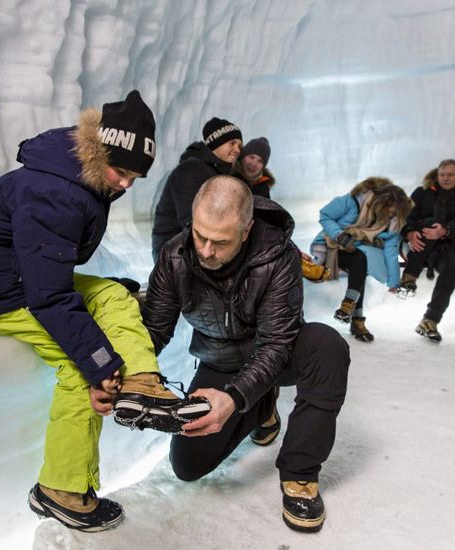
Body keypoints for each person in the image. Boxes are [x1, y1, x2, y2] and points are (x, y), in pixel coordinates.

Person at [0, 91, 206, 533]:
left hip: (16, 270)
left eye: (135, 177)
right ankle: (59, 490)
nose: (125, 185)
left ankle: (143, 383)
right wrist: (100, 364)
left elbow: (51, 269)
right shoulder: (57, 191)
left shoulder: (80, 176)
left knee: (112, 295)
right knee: (78, 367)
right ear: (99, 150)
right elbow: (48, 296)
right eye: (120, 172)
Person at [141, 175, 350, 533]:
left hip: (277, 354)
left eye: (220, 241)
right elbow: (155, 330)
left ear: (247, 228)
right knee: (188, 467)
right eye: (200, 235)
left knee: (326, 345)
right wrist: (130, 373)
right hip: (220, 359)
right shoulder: (174, 256)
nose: (206, 250)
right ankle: (261, 407)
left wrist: (234, 398)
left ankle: (300, 474)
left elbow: (277, 343)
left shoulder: (277, 254)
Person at [309, 177, 412, 342]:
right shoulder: (352, 202)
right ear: (379, 203)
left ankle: (348, 308)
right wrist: (339, 235)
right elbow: (325, 215)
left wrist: (394, 281)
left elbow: (391, 251)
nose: (390, 214)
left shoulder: (393, 223)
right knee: (361, 260)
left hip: (359, 252)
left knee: (361, 261)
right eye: (388, 210)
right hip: (330, 247)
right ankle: (356, 319)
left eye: (394, 212)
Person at [398, 159, 455, 342]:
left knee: (451, 271)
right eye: (442, 174)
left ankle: (430, 320)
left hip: (445, 246)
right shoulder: (421, 193)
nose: (445, 178)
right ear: (437, 174)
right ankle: (409, 278)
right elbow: (405, 217)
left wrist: (444, 231)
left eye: (450, 175)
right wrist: (409, 233)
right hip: (417, 245)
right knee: (429, 223)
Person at [150, 117, 243, 259]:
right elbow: (191, 222)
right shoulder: (191, 170)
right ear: (215, 143)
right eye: (232, 143)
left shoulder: (216, 173)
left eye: (239, 146)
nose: (237, 150)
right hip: (174, 254)